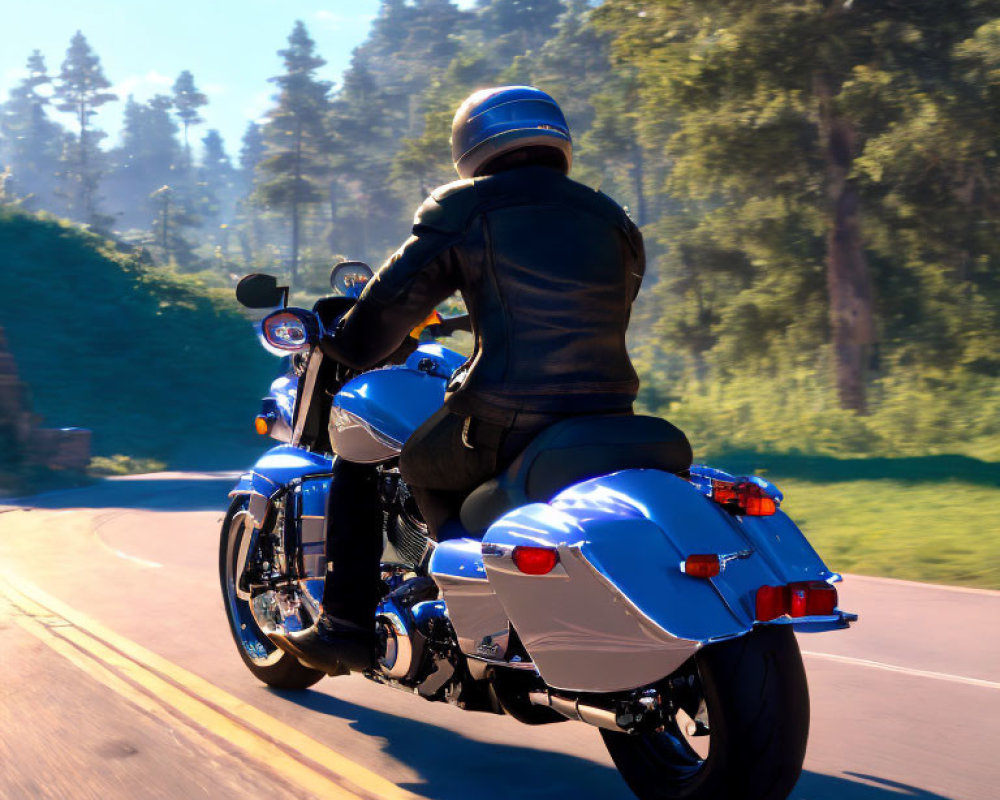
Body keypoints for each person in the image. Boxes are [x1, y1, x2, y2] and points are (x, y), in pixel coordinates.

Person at [269, 85, 646, 674]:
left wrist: (345, 343)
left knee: (381, 459)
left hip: (506, 418)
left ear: (470, 144)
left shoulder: (464, 208)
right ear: (557, 140)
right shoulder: (612, 217)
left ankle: (348, 627)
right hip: (607, 415)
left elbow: (390, 304)